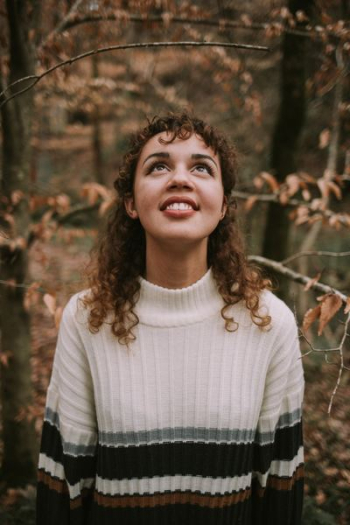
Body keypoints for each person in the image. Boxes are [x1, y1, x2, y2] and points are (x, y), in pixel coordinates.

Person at [36, 112, 304, 524]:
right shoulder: (87, 318)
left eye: (201, 167)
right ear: (130, 203)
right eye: (159, 166)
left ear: (223, 207)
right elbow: (62, 486)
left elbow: (280, 492)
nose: (180, 178)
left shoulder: (270, 323)